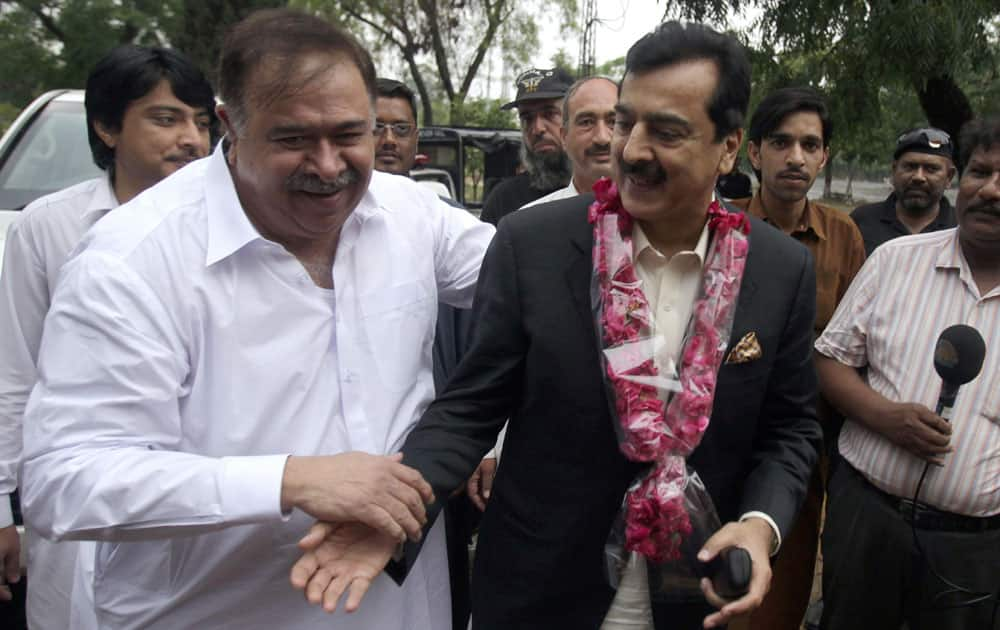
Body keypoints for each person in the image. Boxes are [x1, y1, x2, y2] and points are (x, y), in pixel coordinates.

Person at [292, 21, 821, 630]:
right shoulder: (533, 245)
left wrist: (759, 527)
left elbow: (790, 429)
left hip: (692, 597)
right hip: (540, 591)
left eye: (667, 132)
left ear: (728, 147)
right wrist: (394, 513)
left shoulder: (780, 270)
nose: (632, 150)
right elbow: (470, 408)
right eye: (627, 122)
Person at [19, 9, 493, 629]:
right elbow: (65, 481)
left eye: (350, 135)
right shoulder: (133, 260)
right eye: (293, 139)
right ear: (230, 126)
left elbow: (529, 288)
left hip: (397, 608)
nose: (327, 166)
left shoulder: (411, 214)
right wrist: (288, 481)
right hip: (209, 613)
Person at [0, 44, 215, 629]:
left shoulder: (234, 231)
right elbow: (16, 375)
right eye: (166, 119)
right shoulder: (48, 228)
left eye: (202, 122)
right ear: (107, 126)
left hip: (199, 501)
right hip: (82, 504)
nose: (192, 140)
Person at [814, 115, 1000, 630]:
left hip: (975, 550)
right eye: (981, 172)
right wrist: (885, 418)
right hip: (866, 519)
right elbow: (828, 360)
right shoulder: (894, 261)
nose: (991, 190)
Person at [729, 87, 865, 630]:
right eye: (781, 142)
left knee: (777, 602)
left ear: (825, 156)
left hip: (800, 452)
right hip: (718, 442)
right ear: (753, 153)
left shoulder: (842, 236)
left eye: (810, 145)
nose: (796, 157)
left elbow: (855, 345)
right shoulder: (722, 227)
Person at [371, 75, 481, 630]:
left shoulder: (439, 222)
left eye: (399, 128)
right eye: (372, 126)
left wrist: (464, 448)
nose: (385, 139)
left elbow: (491, 338)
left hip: (434, 470)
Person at [479, 67, 573, 225]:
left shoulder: (604, 191)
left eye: (549, 114)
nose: (537, 129)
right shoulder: (503, 200)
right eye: (527, 118)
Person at [851, 127, 957, 255]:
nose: (919, 177)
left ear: (949, 177)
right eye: (910, 167)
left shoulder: (962, 229)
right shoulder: (861, 221)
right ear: (894, 170)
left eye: (931, 169)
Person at [521, 76, 618, 208]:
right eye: (586, 122)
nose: (602, 138)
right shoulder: (529, 222)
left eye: (614, 122)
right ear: (564, 137)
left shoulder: (654, 217)